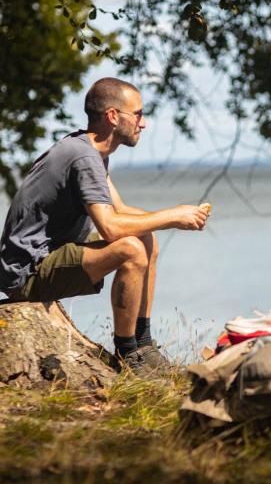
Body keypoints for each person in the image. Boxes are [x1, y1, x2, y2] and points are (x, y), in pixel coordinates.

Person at [0, 77, 210, 371]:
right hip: (28, 272)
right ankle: (129, 355)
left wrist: (171, 216)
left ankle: (143, 342)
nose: (144, 123)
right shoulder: (83, 156)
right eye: (137, 114)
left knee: (145, 237)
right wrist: (173, 216)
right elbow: (111, 227)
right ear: (113, 116)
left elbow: (120, 210)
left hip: (52, 255)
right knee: (130, 250)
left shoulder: (91, 152)